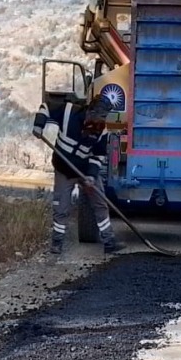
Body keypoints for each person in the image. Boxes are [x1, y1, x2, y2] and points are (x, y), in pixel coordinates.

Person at [33, 97, 124, 256]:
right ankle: (57, 243)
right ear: (90, 111)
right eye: (99, 116)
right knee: (61, 206)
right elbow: (46, 107)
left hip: (85, 170)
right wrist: (38, 125)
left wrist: (91, 175)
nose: (100, 121)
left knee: (100, 203)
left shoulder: (102, 131)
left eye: (104, 117)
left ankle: (109, 242)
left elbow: (99, 155)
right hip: (64, 170)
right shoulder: (68, 112)